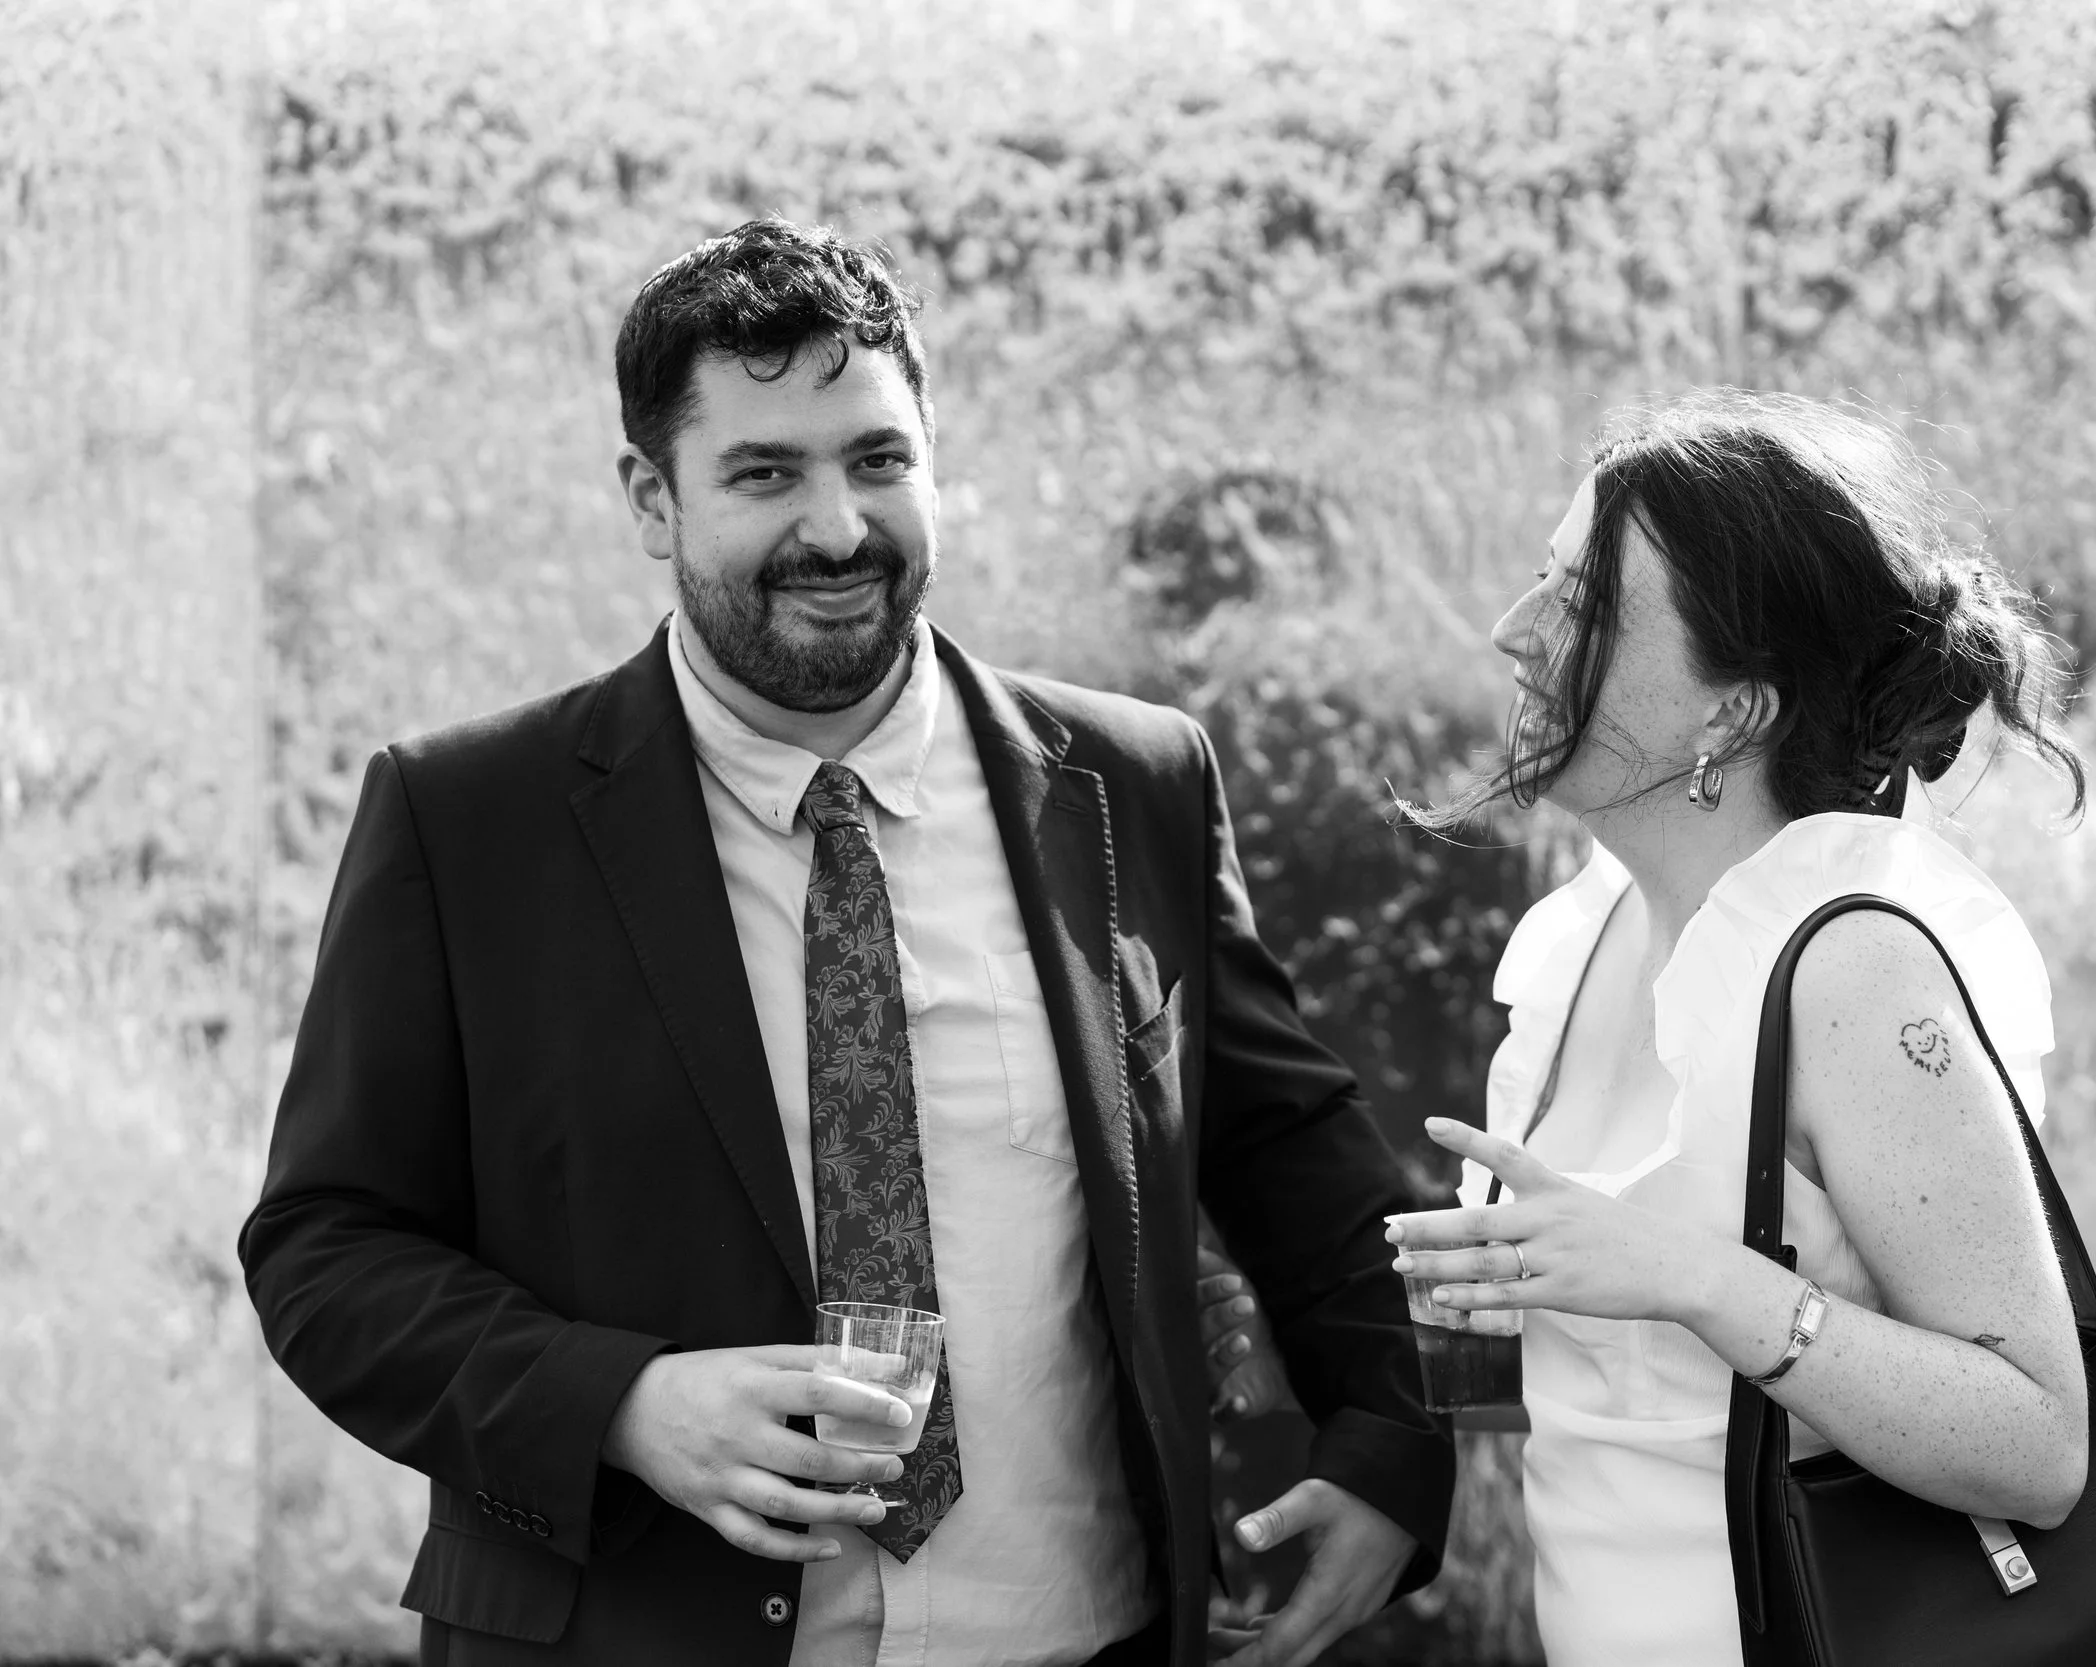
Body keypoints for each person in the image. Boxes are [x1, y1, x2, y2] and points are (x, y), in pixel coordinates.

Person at [238, 217, 1450, 1667]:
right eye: (764, 472)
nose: (836, 527)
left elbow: (1292, 1147)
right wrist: (619, 1400)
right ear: (651, 497)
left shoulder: (1133, 783)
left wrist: (1392, 1440)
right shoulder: (463, 819)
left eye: (878, 459)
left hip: (1086, 1636)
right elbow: (326, 1248)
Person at [1383, 391, 2093, 1666]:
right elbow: (1636, 1402)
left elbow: (2036, 1443)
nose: (1510, 632)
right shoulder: (1583, 930)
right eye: (1540, 582)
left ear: (1732, 712)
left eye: (1581, 605)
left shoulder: (1853, 967)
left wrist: (1688, 1278)